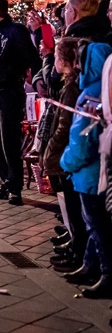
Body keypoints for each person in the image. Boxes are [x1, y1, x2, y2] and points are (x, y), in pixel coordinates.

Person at [59, 40, 112, 298]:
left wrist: (66, 161)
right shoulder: (102, 90)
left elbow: (82, 138)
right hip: (98, 172)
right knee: (96, 225)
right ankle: (90, 266)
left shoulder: (91, 93)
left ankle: (106, 274)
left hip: (89, 173)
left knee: (97, 225)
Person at [0, 0, 41, 206]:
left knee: (9, 140)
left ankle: (15, 188)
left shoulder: (16, 31)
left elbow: (33, 58)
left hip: (10, 92)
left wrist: (36, 79)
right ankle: (7, 182)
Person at [41, 37, 89, 276]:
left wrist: (52, 148)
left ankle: (78, 249)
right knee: (70, 203)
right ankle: (75, 245)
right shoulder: (69, 84)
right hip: (67, 152)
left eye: (57, 57)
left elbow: (65, 124)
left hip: (67, 153)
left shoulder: (72, 88)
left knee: (74, 204)